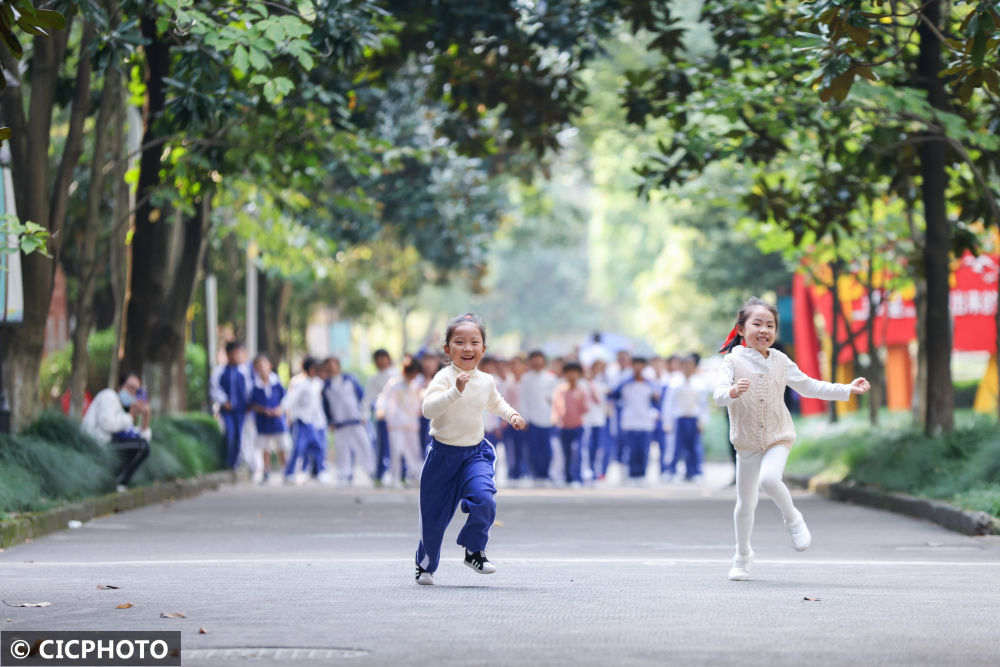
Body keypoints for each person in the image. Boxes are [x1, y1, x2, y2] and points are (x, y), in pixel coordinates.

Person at [715, 296, 870, 581]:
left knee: (770, 480)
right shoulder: (732, 361)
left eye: (770, 325)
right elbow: (718, 394)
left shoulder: (781, 361)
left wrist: (846, 389)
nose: (764, 330)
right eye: (757, 324)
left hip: (778, 436)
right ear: (740, 329)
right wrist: (733, 392)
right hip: (746, 442)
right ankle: (742, 557)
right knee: (745, 504)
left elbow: (809, 387)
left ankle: (792, 518)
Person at [415, 313, 526, 585]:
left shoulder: (486, 380)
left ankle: (474, 550)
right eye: (460, 342)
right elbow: (428, 409)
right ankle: (426, 565)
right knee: (434, 519)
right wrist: (454, 391)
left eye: (474, 342)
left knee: (484, 499)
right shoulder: (444, 378)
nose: (467, 348)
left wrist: (511, 416)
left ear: (483, 349)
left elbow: (496, 402)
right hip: (442, 457)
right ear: (448, 349)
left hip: (475, 454)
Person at [80, 372, 151, 492]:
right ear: (119, 387)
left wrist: (146, 417)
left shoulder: (124, 410)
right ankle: (119, 483)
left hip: (108, 446)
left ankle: (116, 482)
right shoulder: (109, 396)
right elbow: (107, 424)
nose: (132, 392)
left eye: (136, 391)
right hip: (96, 445)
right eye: (130, 387)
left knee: (142, 446)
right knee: (141, 446)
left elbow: (141, 438)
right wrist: (131, 415)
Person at [323, 356, 376, 485]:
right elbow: (326, 406)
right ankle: (343, 474)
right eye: (328, 365)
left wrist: (364, 414)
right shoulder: (326, 386)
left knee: (365, 446)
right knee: (342, 449)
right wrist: (330, 421)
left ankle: (372, 471)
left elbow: (362, 396)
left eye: (333, 364)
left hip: (356, 420)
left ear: (338, 365)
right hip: (339, 423)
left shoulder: (350, 380)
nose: (331, 367)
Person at [608, 357, 660, 483]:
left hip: (645, 422)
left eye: (640, 365)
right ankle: (631, 474)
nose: (638, 368)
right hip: (629, 422)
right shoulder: (625, 384)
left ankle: (641, 475)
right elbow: (612, 395)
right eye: (636, 365)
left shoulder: (650, 385)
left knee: (643, 450)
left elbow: (657, 402)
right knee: (631, 450)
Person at [663, 353, 710, 482]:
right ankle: (671, 471)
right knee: (676, 446)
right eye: (685, 366)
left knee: (694, 447)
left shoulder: (700, 384)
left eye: (690, 366)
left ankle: (694, 472)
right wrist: (667, 422)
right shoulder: (674, 383)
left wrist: (703, 421)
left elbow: (703, 404)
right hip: (679, 418)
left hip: (693, 418)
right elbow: (668, 404)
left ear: (694, 367)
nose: (688, 368)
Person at [282, 356, 329, 484]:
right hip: (302, 421)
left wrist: (321, 420)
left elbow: (317, 405)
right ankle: (289, 473)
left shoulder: (318, 384)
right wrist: (288, 416)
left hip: (314, 422)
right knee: (298, 448)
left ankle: (320, 471)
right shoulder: (301, 385)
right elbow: (289, 401)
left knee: (318, 446)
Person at [380, 358, 425, 486]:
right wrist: (384, 414)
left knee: (413, 451)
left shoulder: (416, 386)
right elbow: (385, 401)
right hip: (396, 424)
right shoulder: (394, 385)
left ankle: (416, 476)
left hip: (411, 424)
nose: (414, 376)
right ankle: (395, 478)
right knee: (396, 450)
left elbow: (420, 402)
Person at [248, 353, 290, 483]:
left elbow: (285, 399)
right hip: (263, 421)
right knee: (264, 448)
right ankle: (266, 472)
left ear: (270, 366)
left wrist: (281, 411)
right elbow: (252, 403)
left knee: (281, 447)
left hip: (277, 420)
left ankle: (286, 471)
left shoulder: (277, 382)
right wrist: (264, 410)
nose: (262, 368)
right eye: (258, 366)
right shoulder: (255, 386)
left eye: (264, 365)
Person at [518, 350, 559, 484]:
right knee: (532, 448)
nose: (537, 363)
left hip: (547, 419)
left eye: (539, 360)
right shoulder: (526, 378)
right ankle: (535, 473)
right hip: (531, 419)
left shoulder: (551, 378)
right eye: (534, 360)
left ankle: (545, 473)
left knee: (547, 449)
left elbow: (556, 399)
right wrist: (524, 417)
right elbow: (523, 399)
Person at [211, 341, 251, 469]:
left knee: (239, 435)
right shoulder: (219, 371)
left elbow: (249, 390)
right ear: (228, 354)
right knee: (230, 432)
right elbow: (214, 389)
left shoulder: (244, 372)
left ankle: (235, 461)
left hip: (240, 410)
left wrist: (249, 404)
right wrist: (223, 401)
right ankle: (227, 461)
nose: (237, 356)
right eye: (234, 353)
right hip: (226, 410)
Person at [551, 361, 592, 487]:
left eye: (575, 373)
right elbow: (556, 407)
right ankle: (567, 477)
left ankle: (577, 478)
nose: (572, 375)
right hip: (563, 427)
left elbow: (586, 409)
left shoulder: (581, 390)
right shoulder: (560, 389)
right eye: (569, 372)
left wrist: (580, 401)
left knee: (577, 451)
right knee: (566, 453)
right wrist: (554, 419)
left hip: (577, 427)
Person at [363, 349, 397, 485]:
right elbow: (367, 397)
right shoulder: (374, 379)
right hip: (382, 415)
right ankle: (380, 474)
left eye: (383, 358)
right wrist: (364, 414)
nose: (381, 361)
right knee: (382, 445)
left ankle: (397, 474)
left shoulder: (397, 374)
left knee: (397, 446)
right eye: (378, 359)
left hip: (397, 417)